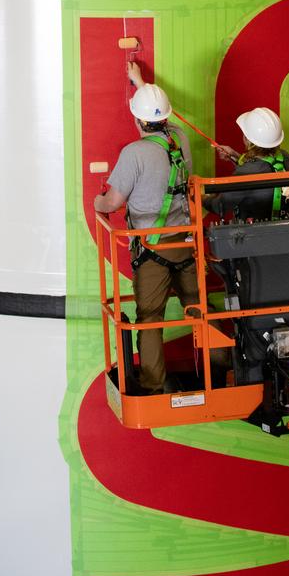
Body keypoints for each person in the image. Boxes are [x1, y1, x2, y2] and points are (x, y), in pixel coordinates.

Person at [93, 68, 198, 394]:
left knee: (151, 316)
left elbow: (113, 202)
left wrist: (98, 201)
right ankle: (223, 363)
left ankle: (153, 383)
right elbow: (166, 119)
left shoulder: (134, 154)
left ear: (136, 120)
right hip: (187, 241)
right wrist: (142, 85)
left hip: (153, 249)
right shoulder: (180, 139)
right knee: (198, 306)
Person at [210, 107, 289, 221]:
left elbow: (219, 206)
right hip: (287, 226)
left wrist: (201, 196)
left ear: (249, 141)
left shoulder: (247, 172)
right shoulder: (285, 157)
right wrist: (235, 156)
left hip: (255, 234)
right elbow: (263, 168)